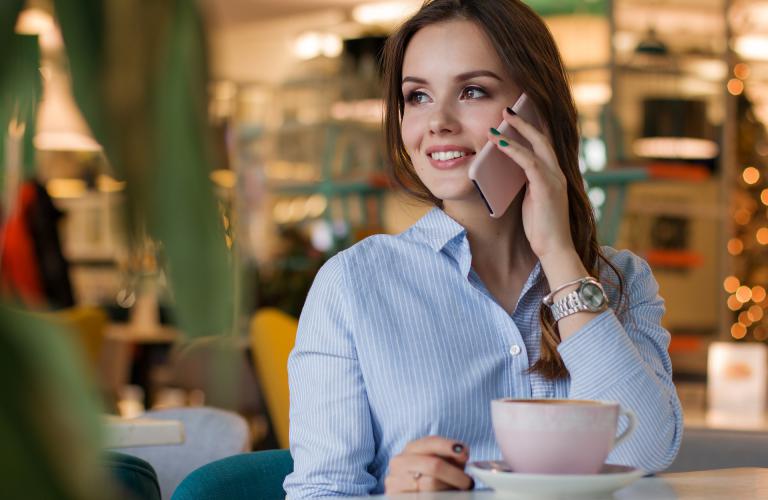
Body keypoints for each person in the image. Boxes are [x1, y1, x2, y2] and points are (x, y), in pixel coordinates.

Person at [283, 0, 683, 497]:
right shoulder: (353, 283)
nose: (439, 122)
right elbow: (319, 491)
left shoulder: (621, 277)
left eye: (472, 91)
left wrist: (559, 255)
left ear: (534, 109)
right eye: (418, 96)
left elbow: (641, 452)